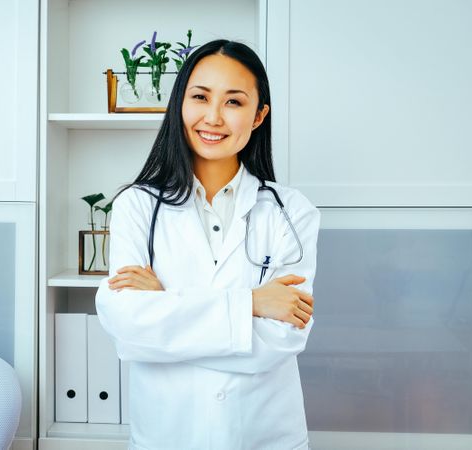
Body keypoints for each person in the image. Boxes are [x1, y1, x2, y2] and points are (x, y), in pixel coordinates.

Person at [95, 39, 320, 450]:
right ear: (180, 102)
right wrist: (250, 304)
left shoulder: (293, 211)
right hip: (169, 434)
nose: (213, 117)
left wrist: (166, 310)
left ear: (258, 116)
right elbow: (127, 327)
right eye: (200, 97)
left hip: (263, 434)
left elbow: (284, 337)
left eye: (234, 102)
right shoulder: (137, 206)